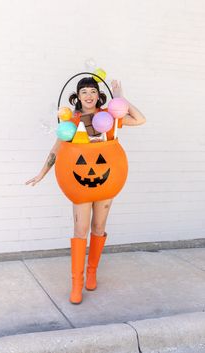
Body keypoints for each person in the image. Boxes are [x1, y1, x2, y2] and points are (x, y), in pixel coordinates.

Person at [25, 77, 146, 304]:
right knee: (80, 231)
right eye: (84, 92)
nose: (89, 96)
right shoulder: (71, 120)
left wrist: (120, 98)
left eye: (93, 91)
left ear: (99, 95)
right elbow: (56, 149)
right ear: (77, 97)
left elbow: (140, 119)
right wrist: (41, 174)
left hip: (107, 182)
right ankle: (76, 284)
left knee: (98, 228)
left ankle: (91, 273)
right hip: (79, 185)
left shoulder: (108, 118)